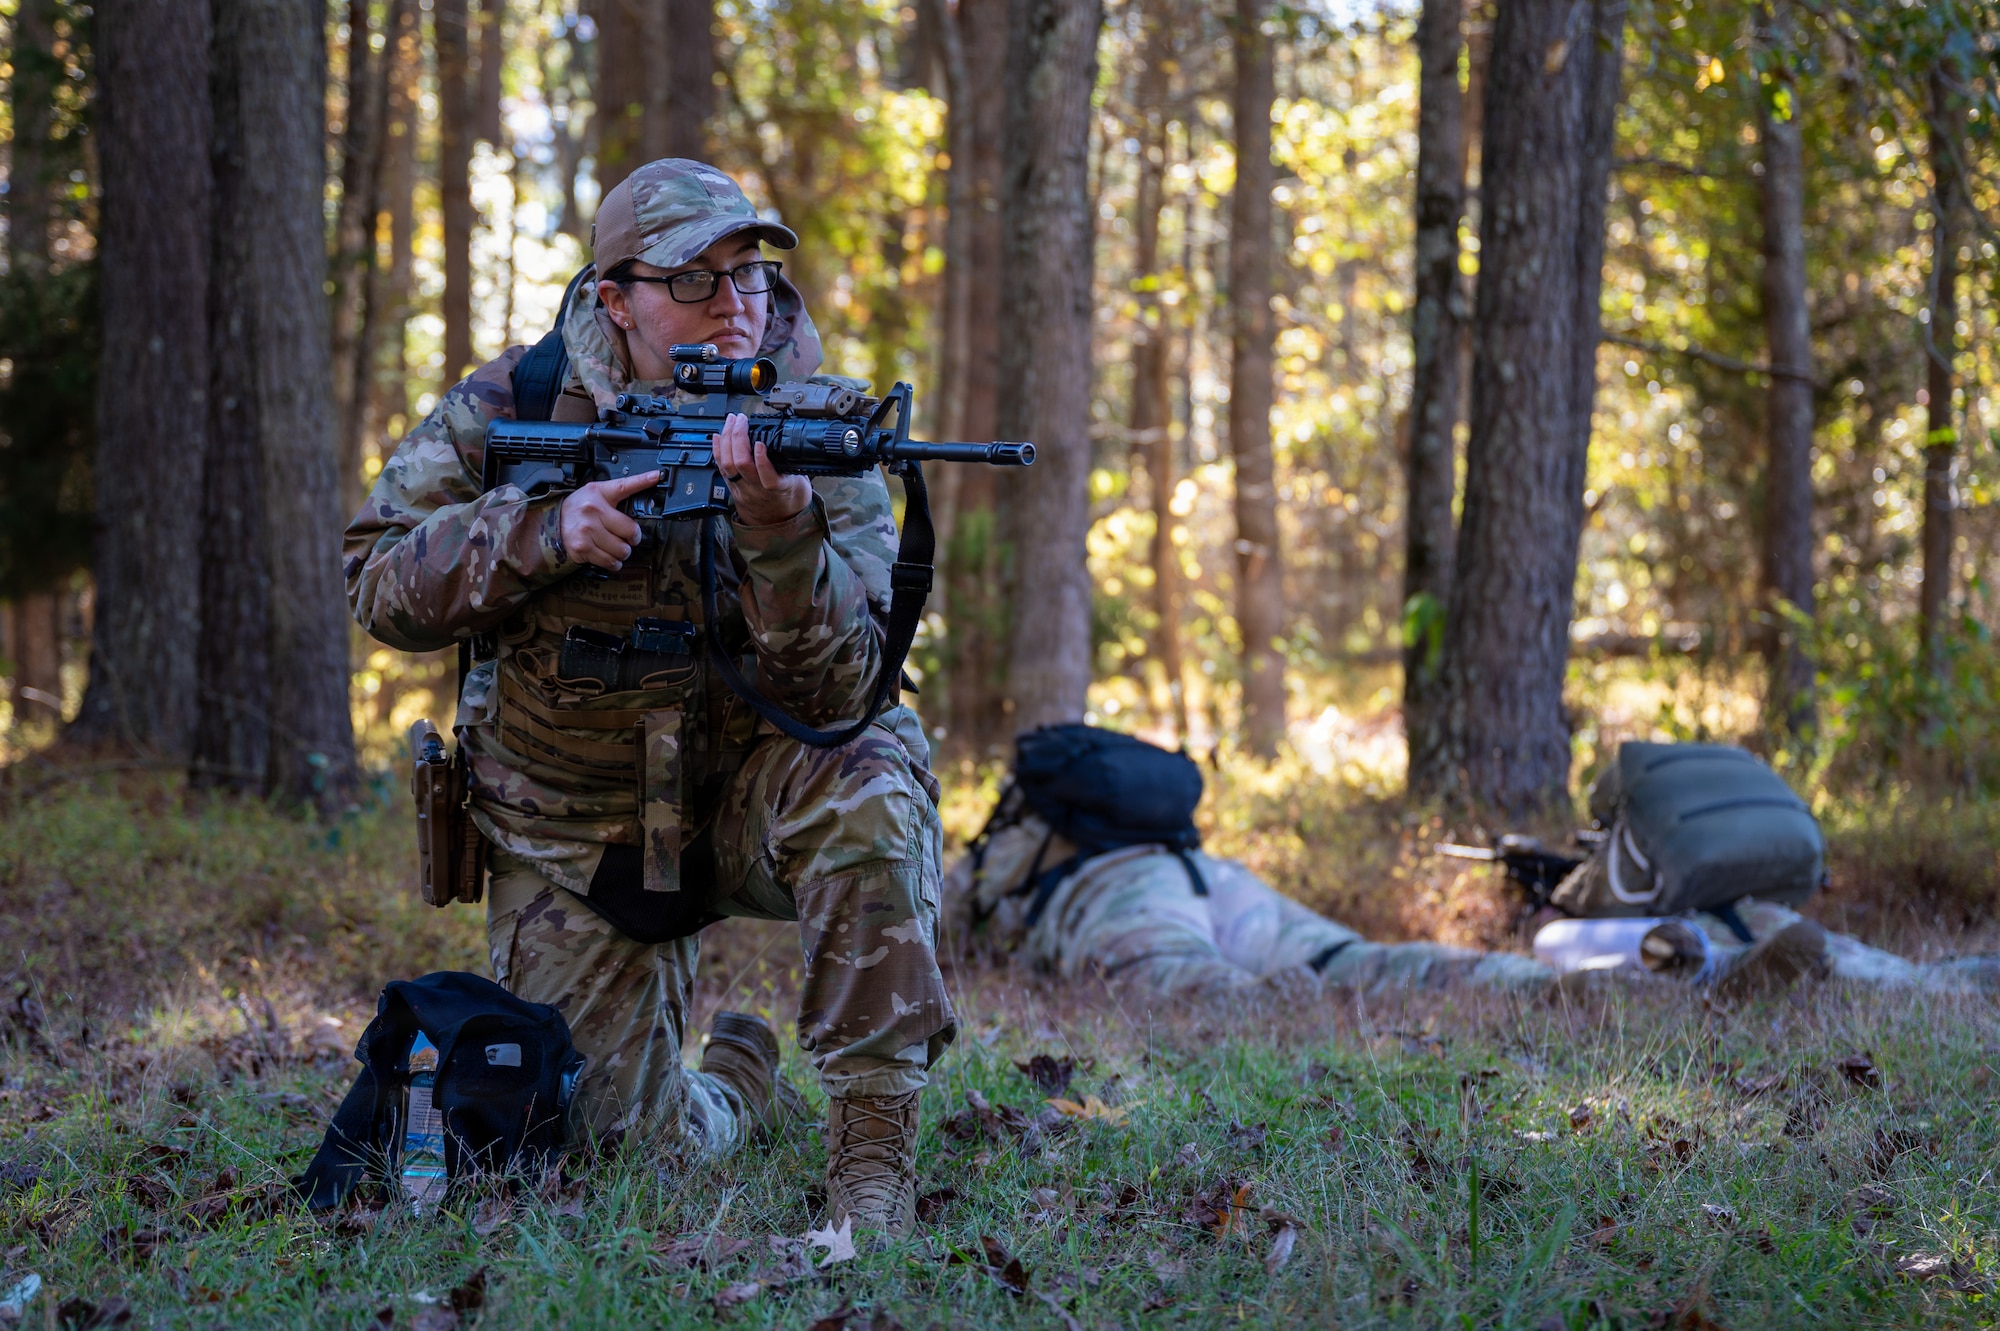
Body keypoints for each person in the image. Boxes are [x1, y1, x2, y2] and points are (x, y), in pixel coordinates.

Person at [345, 159, 952, 1237]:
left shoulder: (820, 429)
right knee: (614, 1149)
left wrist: (779, 536)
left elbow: (844, 686)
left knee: (871, 780)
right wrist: (540, 532)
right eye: (693, 280)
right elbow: (377, 582)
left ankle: (871, 1155)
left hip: (752, 791)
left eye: (749, 275)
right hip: (580, 823)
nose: (733, 306)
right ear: (613, 297)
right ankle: (735, 1087)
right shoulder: (511, 404)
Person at [945, 786, 2000, 1004]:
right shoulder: (1101, 821)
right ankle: (1673, 972)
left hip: (1119, 905)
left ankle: (1635, 990)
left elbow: (928, 925)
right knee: (1363, 965)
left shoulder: (995, 856)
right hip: (1215, 875)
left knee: (1211, 998)